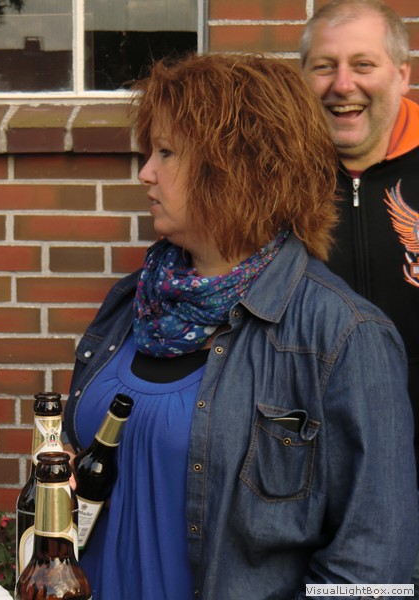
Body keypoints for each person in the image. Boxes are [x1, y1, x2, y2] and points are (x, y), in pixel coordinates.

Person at [62, 53, 418, 599]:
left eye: (166, 152)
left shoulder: (343, 335)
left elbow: (373, 570)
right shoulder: (133, 301)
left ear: (238, 168)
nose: (146, 172)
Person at [300, 3, 419, 584]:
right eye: (324, 66)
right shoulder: (271, 181)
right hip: (309, 503)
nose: (343, 85)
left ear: (402, 73)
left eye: (363, 65)